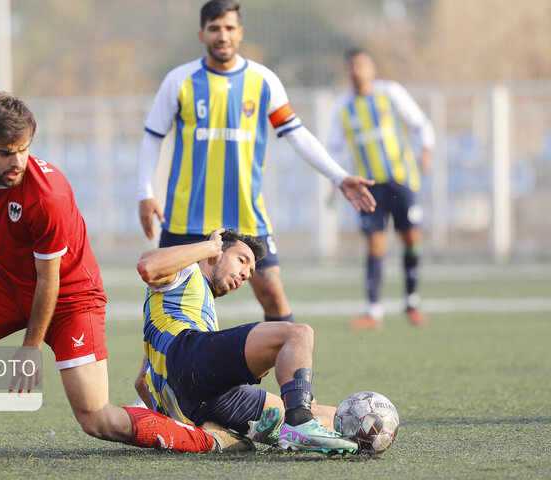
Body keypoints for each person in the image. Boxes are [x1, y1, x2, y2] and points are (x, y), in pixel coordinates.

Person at [0, 93, 244, 463]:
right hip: (13, 282)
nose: (17, 162)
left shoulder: (48, 195)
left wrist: (30, 346)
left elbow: (50, 281)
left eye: (23, 150)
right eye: (5, 153)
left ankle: (210, 440)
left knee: (97, 419)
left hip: (72, 297)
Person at [137, 0, 376, 326]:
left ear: (241, 32)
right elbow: (152, 137)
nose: (223, 36)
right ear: (202, 34)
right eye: (215, 29)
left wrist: (339, 176)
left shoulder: (263, 80)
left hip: (246, 216)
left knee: (273, 294)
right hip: (186, 217)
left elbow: (295, 132)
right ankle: (149, 376)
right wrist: (145, 192)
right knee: (164, 299)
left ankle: (294, 375)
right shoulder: (179, 81)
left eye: (229, 28)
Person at [134, 228, 358, 455]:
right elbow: (147, 266)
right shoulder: (186, 271)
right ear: (218, 250)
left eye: (249, 272)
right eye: (241, 261)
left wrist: (176, 424)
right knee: (298, 334)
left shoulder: (195, 312)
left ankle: (362, 429)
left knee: (321, 414)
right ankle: (300, 424)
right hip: (187, 360)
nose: (244, 274)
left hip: (203, 399)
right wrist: (209, 248)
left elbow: (142, 382)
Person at [326, 48, 435, 330]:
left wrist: (426, 151)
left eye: (362, 65)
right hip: (369, 186)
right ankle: (373, 311)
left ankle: (411, 301)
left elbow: (420, 123)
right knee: (375, 243)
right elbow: (335, 149)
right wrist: (333, 181)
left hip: (401, 180)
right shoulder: (343, 106)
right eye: (352, 66)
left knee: (410, 238)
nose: (357, 71)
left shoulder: (390, 93)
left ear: (372, 69)